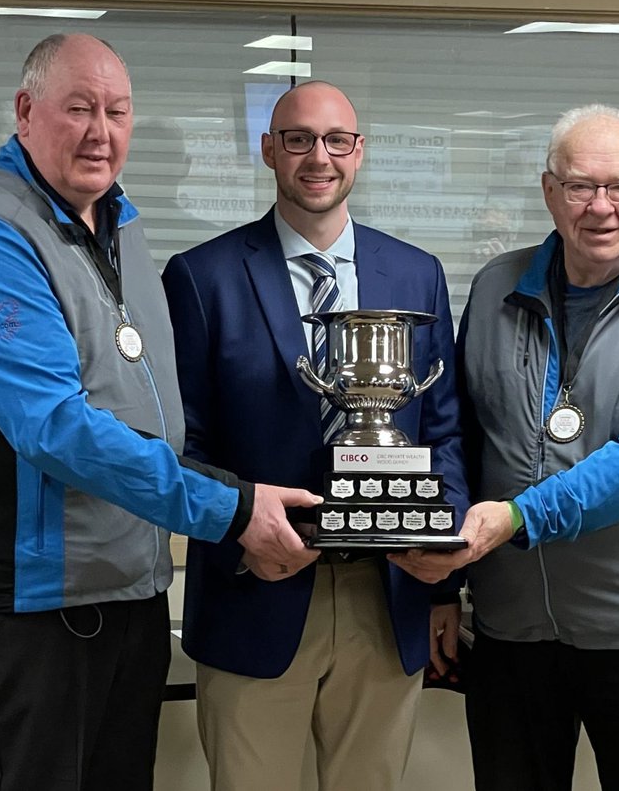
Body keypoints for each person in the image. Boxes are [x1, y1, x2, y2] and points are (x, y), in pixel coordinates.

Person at [0, 33, 320, 791]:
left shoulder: (120, 226)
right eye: (79, 108)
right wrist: (233, 509)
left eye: (117, 111)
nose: (101, 131)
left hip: (129, 595)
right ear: (26, 112)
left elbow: (150, 412)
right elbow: (55, 429)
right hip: (28, 608)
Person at [392, 103, 619, 790]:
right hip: (513, 629)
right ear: (549, 191)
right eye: (580, 186)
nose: (600, 207)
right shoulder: (494, 288)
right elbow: (461, 437)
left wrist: (516, 518)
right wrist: (443, 584)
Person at [162, 80, 468, 791]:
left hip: (385, 598)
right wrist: (243, 528)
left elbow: (445, 427)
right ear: (269, 151)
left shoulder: (417, 275)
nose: (317, 158)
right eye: (297, 140)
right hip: (256, 594)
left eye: (336, 141)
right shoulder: (202, 278)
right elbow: (182, 447)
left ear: (359, 153)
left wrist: (439, 549)